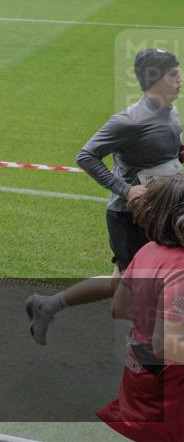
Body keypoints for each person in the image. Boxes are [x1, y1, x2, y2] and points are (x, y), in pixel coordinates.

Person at [26, 49, 182, 345]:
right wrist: (126, 189)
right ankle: (143, 354)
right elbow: (86, 156)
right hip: (130, 218)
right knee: (135, 289)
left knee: (122, 282)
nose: (180, 79)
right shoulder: (128, 121)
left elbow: (163, 155)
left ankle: (47, 306)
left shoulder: (171, 112)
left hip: (158, 213)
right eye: (173, 74)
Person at [97, 173, 184, 442]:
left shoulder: (148, 250)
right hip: (170, 393)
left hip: (139, 376)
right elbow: (166, 345)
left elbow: (120, 308)